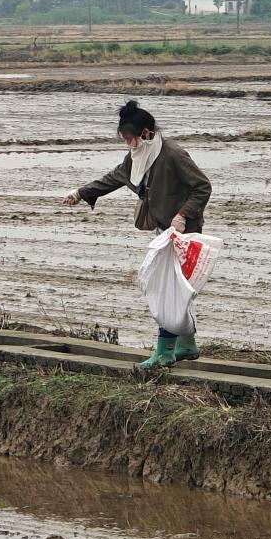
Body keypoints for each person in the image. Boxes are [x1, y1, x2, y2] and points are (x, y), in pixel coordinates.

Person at [62, 100, 212, 369]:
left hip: (185, 233)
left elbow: (202, 187)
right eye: (125, 139)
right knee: (177, 291)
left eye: (130, 139)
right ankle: (187, 345)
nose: (128, 144)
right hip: (162, 231)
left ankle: (165, 352)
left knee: (168, 291)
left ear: (145, 133)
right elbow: (114, 177)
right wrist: (81, 193)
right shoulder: (137, 158)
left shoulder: (173, 155)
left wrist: (182, 215)